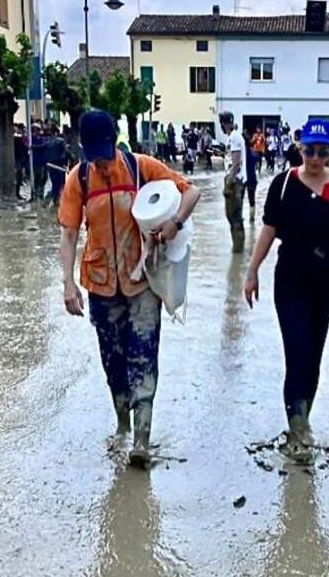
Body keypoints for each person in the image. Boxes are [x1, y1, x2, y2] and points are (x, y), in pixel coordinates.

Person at [58, 109, 200, 467]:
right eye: (94, 155)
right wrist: (68, 284)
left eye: (105, 153)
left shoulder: (140, 168)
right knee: (113, 362)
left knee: (143, 357)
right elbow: (69, 233)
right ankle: (122, 425)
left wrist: (175, 222)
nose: (102, 162)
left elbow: (191, 191)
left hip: (141, 283)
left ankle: (141, 439)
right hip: (100, 285)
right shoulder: (79, 179)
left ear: (115, 141)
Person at [244, 118, 329, 458]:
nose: (315, 158)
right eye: (309, 151)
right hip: (290, 280)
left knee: (314, 357)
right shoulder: (283, 184)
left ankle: (303, 420)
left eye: (322, 152)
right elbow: (268, 230)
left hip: (325, 281)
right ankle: (298, 430)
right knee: (297, 353)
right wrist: (252, 271)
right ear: (299, 149)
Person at [219, 111, 246, 252]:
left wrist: (228, 184)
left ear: (224, 124)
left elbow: (236, 164)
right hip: (234, 180)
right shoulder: (233, 137)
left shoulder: (234, 137)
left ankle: (238, 250)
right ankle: (238, 247)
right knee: (232, 216)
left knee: (234, 216)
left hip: (235, 181)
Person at [45, 125, 67, 207]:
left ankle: (54, 198)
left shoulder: (48, 142)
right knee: (58, 182)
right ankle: (54, 198)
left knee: (54, 181)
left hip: (50, 164)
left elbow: (45, 152)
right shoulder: (60, 141)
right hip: (59, 164)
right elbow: (64, 152)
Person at [243, 129, 258, 223]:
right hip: (252, 178)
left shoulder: (241, 155)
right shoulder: (254, 153)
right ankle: (252, 219)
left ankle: (240, 219)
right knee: (252, 200)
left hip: (243, 179)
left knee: (239, 200)